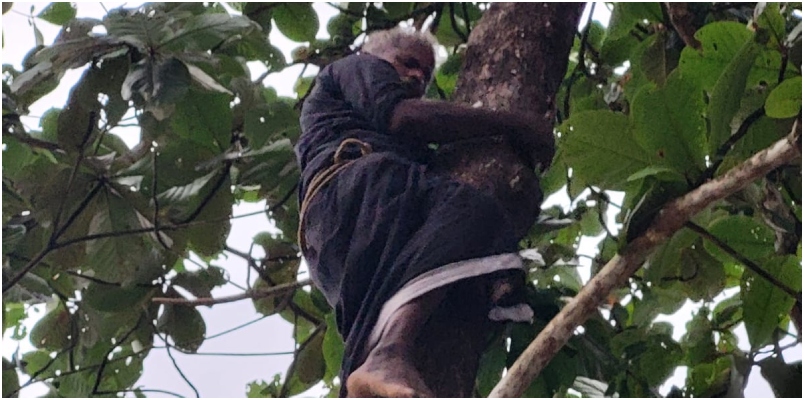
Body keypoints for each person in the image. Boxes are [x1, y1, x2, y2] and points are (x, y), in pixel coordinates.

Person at [295, 27, 554, 397]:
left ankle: (375, 367)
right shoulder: (357, 66)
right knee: (475, 210)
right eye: (409, 64)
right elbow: (403, 117)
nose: (418, 77)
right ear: (378, 56)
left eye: (426, 75)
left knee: (381, 310)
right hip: (358, 184)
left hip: (332, 237)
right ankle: (389, 353)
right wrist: (514, 124)